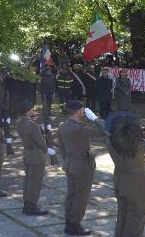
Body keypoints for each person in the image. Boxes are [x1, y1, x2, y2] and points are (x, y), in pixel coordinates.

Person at [107, 112, 145, 237]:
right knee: (136, 219)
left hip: (120, 182)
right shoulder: (137, 146)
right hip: (138, 185)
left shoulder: (110, 142)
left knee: (122, 216)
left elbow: (124, 139)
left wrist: (139, 134)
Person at [57, 101, 108, 236]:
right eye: (82, 110)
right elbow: (105, 131)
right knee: (81, 197)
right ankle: (75, 225)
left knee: (71, 195)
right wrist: (95, 119)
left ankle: (69, 222)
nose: (84, 112)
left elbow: (61, 147)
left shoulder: (62, 126)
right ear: (78, 111)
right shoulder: (79, 128)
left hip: (70, 164)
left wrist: (68, 160)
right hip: (83, 166)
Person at [16, 100, 53, 216]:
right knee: (35, 181)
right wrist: (47, 149)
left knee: (28, 179)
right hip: (36, 155)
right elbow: (40, 140)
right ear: (28, 111)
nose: (33, 110)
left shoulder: (19, 122)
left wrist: (41, 129)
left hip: (27, 153)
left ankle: (27, 203)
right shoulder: (31, 124)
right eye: (31, 108)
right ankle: (31, 205)